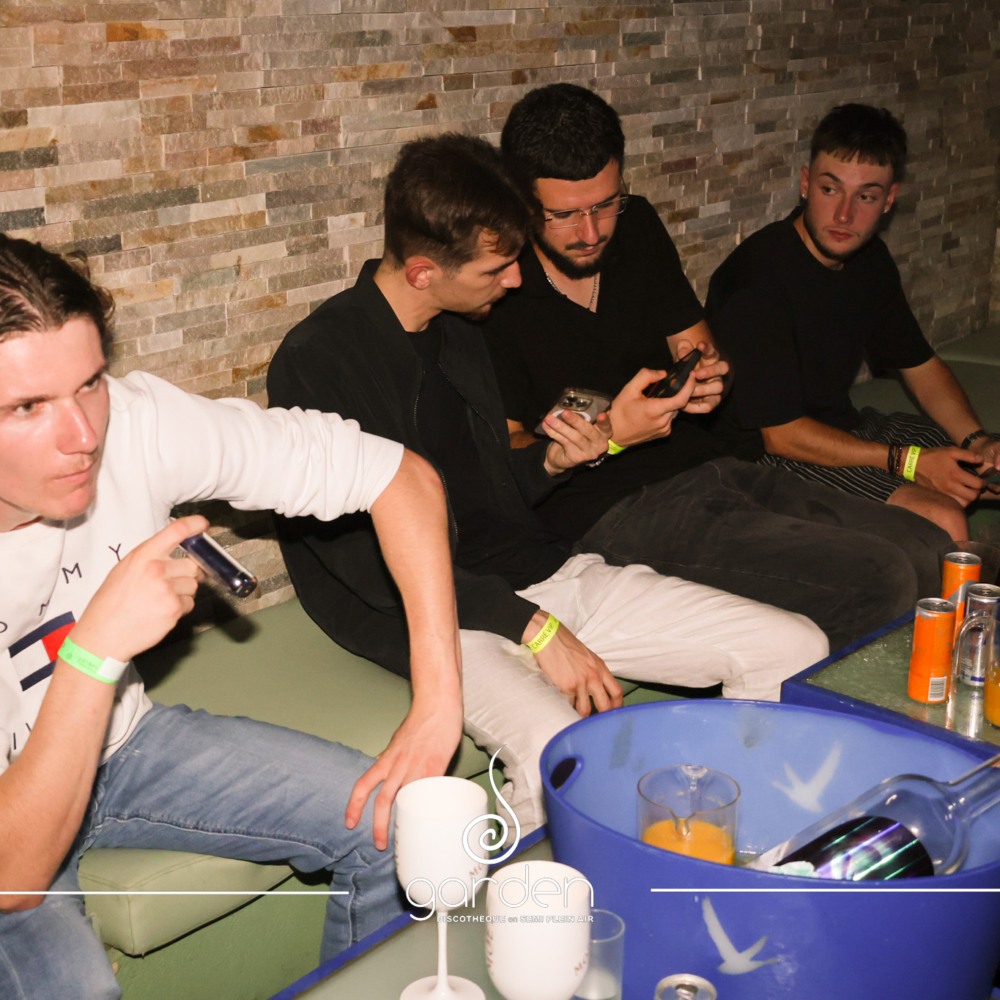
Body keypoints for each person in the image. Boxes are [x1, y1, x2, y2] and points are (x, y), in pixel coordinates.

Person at [267, 132, 830, 838]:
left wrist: (561, 461)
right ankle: (524, 901)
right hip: (434, 617)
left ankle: (727, 842)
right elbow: (362, 562)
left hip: (540, 573)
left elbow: (489, 493)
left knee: (793, 647)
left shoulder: (459, 330)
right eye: (495, 268)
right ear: (422, 271)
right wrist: (534, 629)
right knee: (563, 762)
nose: (514, 281)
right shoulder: (317, 362)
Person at [0, 235, 465, 999]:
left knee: (399, 828)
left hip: (123, 746)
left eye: (89, 384)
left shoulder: (135, 424)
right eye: (27, 407)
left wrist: (440, 700)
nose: (83, 437)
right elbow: (14, 875)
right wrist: (94, 649)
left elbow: (401, 477)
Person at [481, 83, 952, 652]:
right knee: (883, 578)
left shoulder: (637, 226)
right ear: (522, 200)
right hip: (609, 511)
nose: (591, 231)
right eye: (564, 215)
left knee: (931, 549)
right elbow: (507, 460)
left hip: (710, 464)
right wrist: (611, 434)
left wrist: (707, 380)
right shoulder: (495, 288)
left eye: (605, 204)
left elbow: (699, 349)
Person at [706, 102, 1000, 541]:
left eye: (865, 196)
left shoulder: (869, 261)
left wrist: (977, 441)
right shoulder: (757, 279)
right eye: (830, 190)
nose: (844, 215)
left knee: (986, 464)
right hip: (762, 458)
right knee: (944, 518)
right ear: (806, 184)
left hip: (845, 428)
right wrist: (910, 463)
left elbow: (920, 366)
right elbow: (781, 436)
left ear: (889, 200)